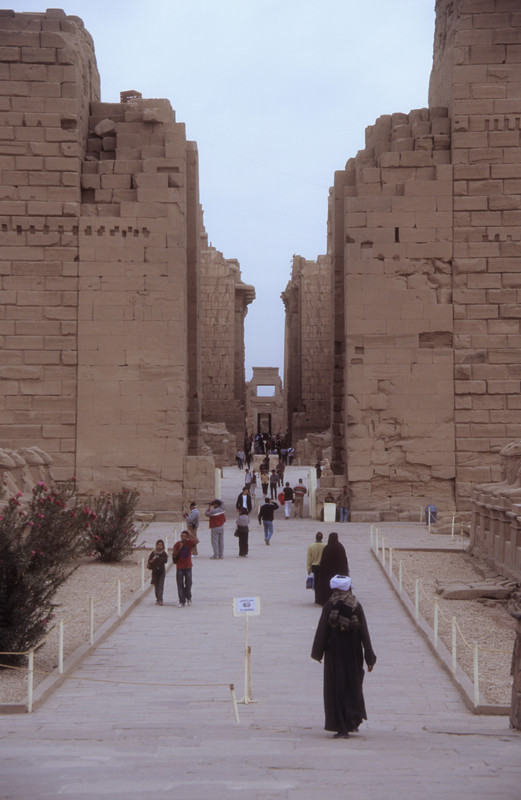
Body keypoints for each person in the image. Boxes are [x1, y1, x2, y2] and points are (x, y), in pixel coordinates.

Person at [311, 575, 376, 738]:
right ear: (348, 588)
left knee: (337, 688)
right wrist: (369, 657)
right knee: (352, 685)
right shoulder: (356, 605)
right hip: (353, 652)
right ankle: (352, 721)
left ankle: (341, 726)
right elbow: (364, 632)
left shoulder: (329, 605)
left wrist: (317, 652)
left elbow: (322, 630)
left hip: (334, 653)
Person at [315, 532, 349, 606]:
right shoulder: (340, 547)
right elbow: (344, 561)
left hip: (328, 574)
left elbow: (323, 563)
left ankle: (326, 600)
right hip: (339, 573)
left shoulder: (327, 548)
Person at [172, 530, 198, 607]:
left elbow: (197, 541)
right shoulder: (177, 544)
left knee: (189, 583)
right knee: (180, 584)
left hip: (188, 566)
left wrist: (191, 534)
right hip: (180, 567)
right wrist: (180, 548)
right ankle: (181, 601)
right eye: (182, 536)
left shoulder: (189, 543)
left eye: (185, 536)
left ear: (187, 537)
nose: (183, 537)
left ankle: (189, 597)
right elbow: (174, 555)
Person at [147, 539, 168, 606]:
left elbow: (165, 561)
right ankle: (157, 598)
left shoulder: (164, 554)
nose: (159, 546)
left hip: (161, 571)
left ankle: (160, 599)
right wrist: (152, 561)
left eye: (161, 545)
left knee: (161, 585)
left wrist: (159, 559)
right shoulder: (153, 553)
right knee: (156, 585)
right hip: (155, 571)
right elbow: (149, 561)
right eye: (158, 545)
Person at [306, 532, 325, 605]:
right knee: (322, 583)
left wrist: (308, 569)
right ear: (322, 538)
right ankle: (322, 598)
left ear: (315, 537)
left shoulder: (311, 546)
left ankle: (317, 599)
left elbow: (309, 559)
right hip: (322, 566)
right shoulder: (325, 546)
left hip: (314, 567)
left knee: (316, 583)